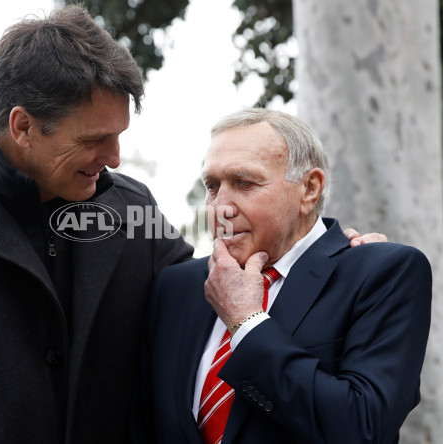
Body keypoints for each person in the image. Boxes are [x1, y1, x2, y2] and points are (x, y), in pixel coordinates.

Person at [0, 5, 384, 444]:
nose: (117, 157)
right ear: (23, 126)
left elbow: (217, 293)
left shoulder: (132, 210)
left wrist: (333, 259)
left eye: (120, 134)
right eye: (94, 140)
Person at [131, 108, 431, 444]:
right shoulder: (177, 287)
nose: (220, 207)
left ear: (309, 189)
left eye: (244, 182)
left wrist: (245, 322)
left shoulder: (383, 273)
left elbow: (362, 427)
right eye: (212, 186)